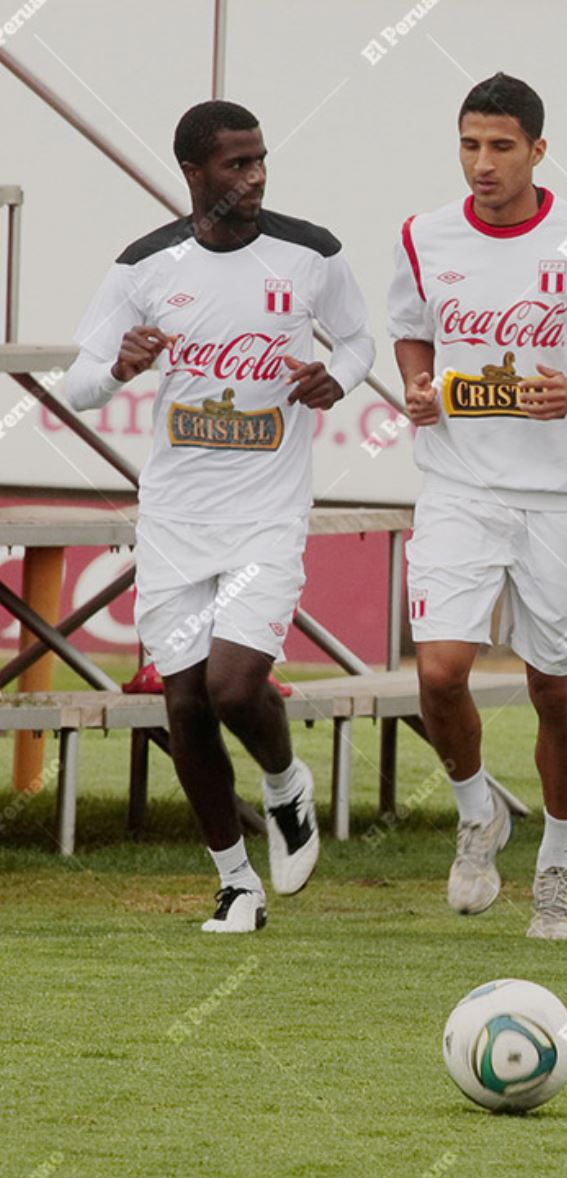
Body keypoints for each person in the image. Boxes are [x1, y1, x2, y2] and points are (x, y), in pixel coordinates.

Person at [66, 100, 373, 931]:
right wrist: (119, 368)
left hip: (267, 517)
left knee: (235, 687)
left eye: (261, 159)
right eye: (237, 164)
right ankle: (236, 883)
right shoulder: (144, 268)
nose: (256, 176)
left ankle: (284, 784)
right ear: (194, 173)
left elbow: (358, 338)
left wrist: (336, 379)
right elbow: (78, 382)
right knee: (185, 704)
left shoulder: (310, 253)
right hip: (174, 520)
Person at [389, 73, 567, 939]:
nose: (482, 163)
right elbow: (412, 326)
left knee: (556, 691)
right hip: (458, 485)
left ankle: (559, 864)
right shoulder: (425, 236)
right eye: (469, 145)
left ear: (539, 149)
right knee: (439, 672)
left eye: (501, 146)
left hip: (559, 502)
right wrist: (417, 386)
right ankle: (476, 813)